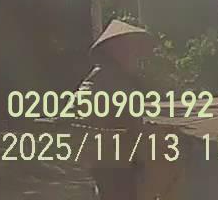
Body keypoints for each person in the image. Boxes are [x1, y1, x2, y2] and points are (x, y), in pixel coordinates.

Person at [78, 19, 183, 200]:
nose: (135, 55)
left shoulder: (101, 76)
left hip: (104, 158)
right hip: (114, 159)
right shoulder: (113, 81)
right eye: (130, 50)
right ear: (115, 51)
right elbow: (131, 127)